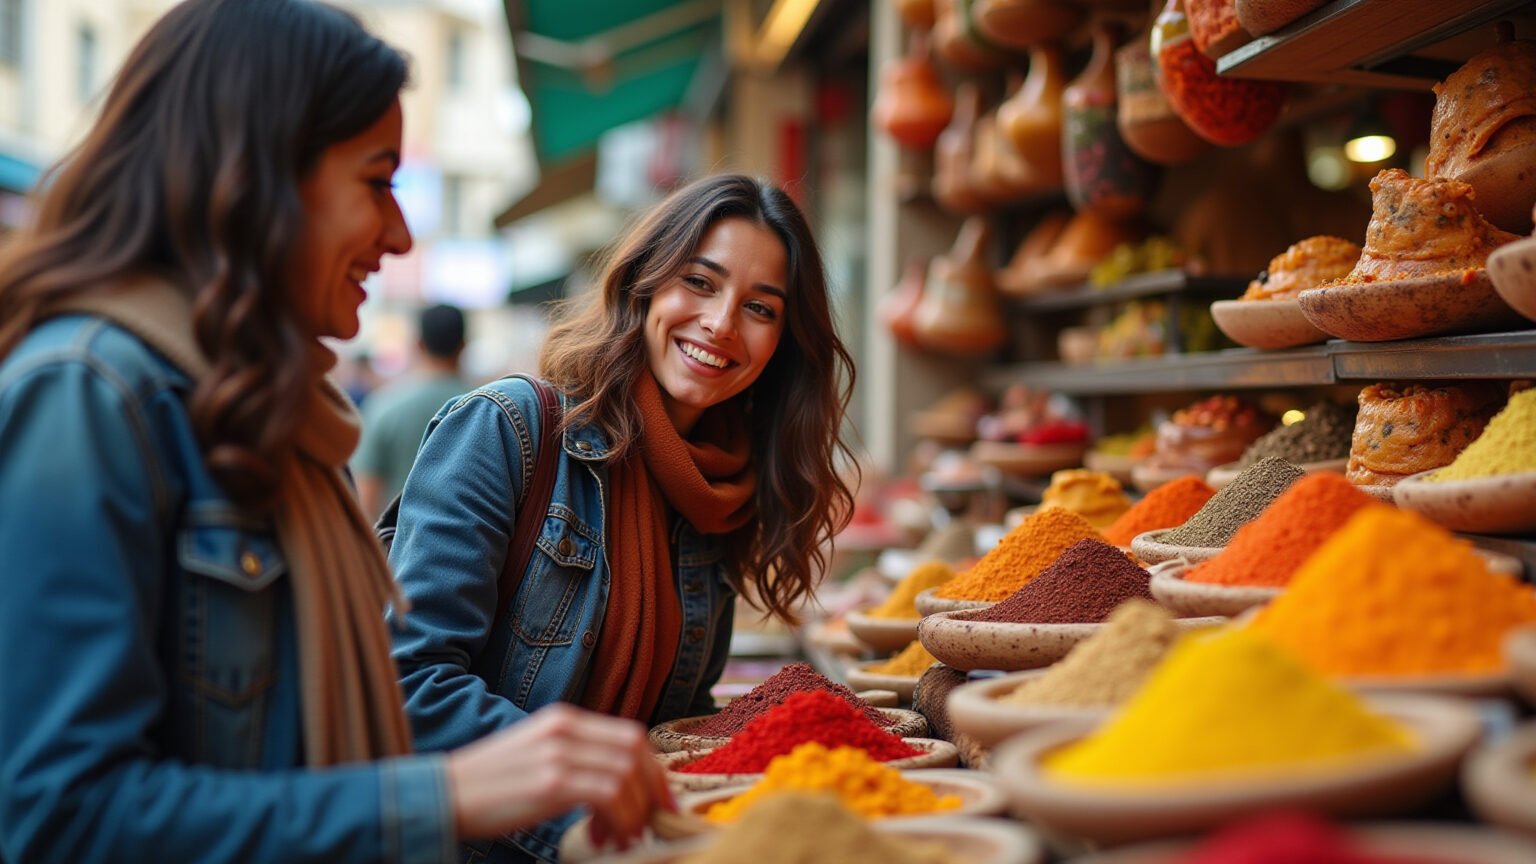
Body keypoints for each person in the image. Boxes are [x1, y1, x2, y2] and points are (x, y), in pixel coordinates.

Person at [0, 2, 669, 862]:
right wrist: (451, 793)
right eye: (376, 180)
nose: (398, 234)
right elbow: (61, 819)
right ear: (260, 175)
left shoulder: (267, 413)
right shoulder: (89, 397)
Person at [387, 173, 858, 862]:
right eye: (700, 282)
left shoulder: (719, 490)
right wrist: (594, 803)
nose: (722, 323)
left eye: (760, 307)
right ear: (646, 282)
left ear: (784, 341)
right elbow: (408, 684)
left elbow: (671, 727)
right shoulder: (509, 430)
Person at [355, 303, 473, 517]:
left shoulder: (384, 405)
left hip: (397, 545)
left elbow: (366, 497)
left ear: (419, 344)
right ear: (463, 345)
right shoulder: (488, 409)